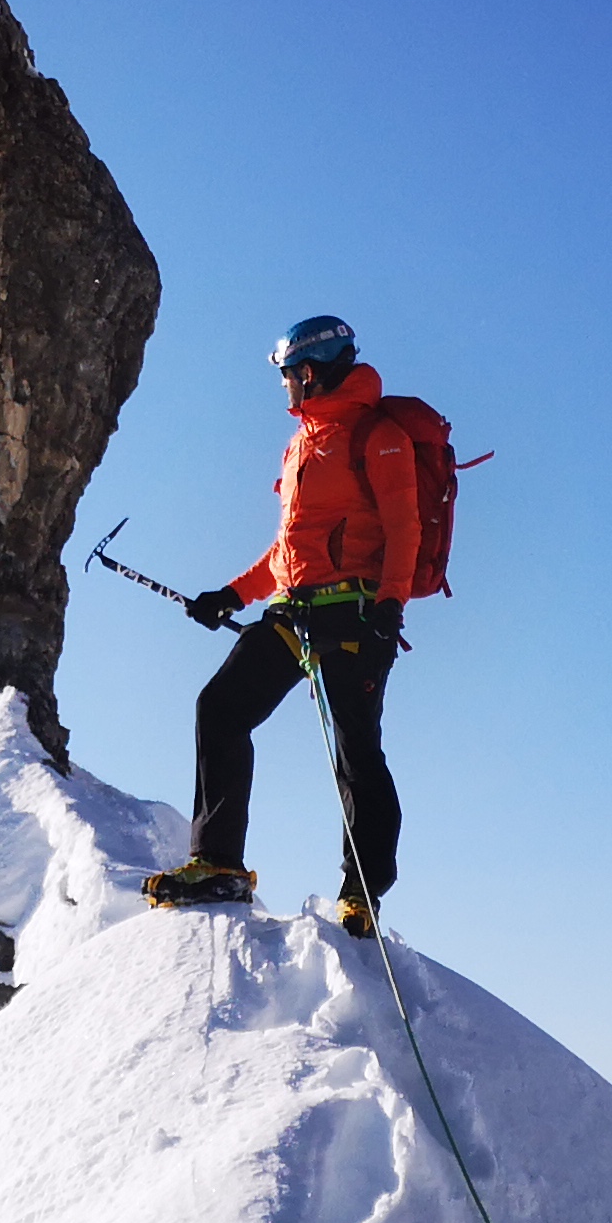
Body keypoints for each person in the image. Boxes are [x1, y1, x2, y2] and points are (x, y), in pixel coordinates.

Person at [144, 314, 415, 936]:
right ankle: (218, 864)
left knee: (356, 753)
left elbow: (406, 529)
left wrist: (389, 609)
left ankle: (361, 894)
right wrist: (231, 595)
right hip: (294, 611)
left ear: (309, 371)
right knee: (220, 707)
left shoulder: (379, 435)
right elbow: (289, 552)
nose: (285, 387)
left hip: (355, 617)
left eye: (288, 375)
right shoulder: (303, 443)